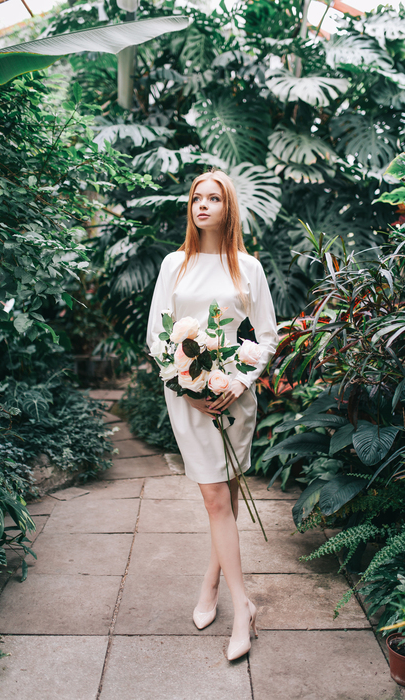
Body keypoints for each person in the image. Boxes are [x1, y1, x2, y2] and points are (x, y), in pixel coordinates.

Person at [146, 168, 279, 661]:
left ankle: (212, 583)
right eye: (196, 198)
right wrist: (185, 387)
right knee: (215, 497)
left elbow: (267, 336)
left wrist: (240, 382)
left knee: (225, 494)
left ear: (229, 208)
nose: (202, 205)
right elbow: (157, 336)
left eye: (213, 198)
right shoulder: (173, 265)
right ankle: (243, 607)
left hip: (233, 395)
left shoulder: (249, 267)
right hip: (187, 396)